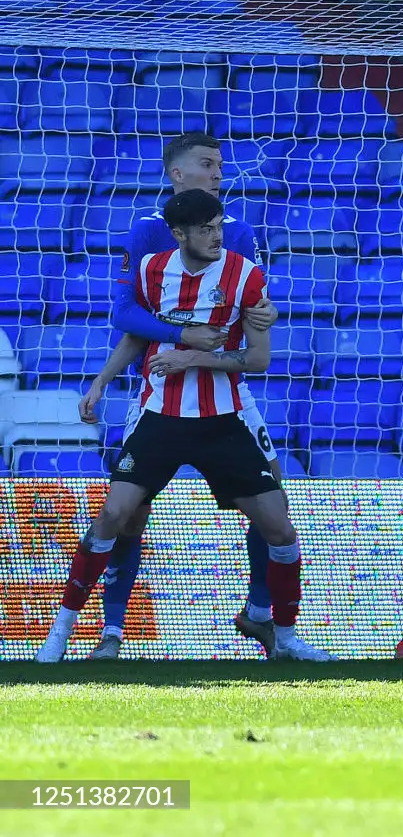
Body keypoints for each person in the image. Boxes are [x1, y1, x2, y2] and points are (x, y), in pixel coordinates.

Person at [40, 190, 329, 664]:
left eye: (219, 227)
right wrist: (99, 383)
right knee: (114, 515)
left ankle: (287, 635)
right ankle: (61, 631)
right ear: (179, 234)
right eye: (206, 229)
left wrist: (197, 357)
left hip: (223, 421)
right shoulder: (153, 269)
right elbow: (138, 332)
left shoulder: (245, 274)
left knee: (280, 529)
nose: (217, 237)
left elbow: (258, 359)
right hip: (160, 418)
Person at [75, 134, 284, 660]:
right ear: (177, 174)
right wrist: (181, 336)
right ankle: (112, 630)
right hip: (163, 387)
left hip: (228, 387)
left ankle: (260, 613)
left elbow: (251, 304)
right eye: (207, 165)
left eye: (220, 165)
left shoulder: (239, 231)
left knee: (270, 496)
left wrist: (265, 315)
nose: (218, 173)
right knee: (130, 509)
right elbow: (126, 315)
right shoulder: (149, 229)